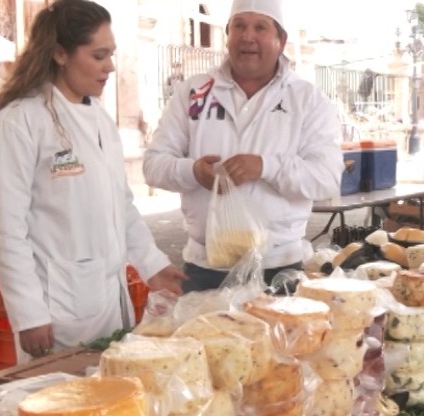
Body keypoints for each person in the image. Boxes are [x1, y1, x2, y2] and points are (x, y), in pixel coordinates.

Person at [0, 0, 186, 362]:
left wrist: (152, 265)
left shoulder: (100, 119)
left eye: (111, 54)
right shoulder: (19, 122)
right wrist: (29, 313)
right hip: (55, 310)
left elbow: (121, 204)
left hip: (106, 299)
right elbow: (6, 228)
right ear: (60, 54)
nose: (110, 66)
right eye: (99, 55)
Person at [142, 0, 344, 292]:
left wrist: (266, 166)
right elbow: (153, 165)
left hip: (278, 270)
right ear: (228, 35)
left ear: (281, 40)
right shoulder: (195, 93)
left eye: (260, 27)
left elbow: (326, 179)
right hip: (206, 270)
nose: (248, 36)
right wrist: (193, 172)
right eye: (239, 26)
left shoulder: (307, 101)